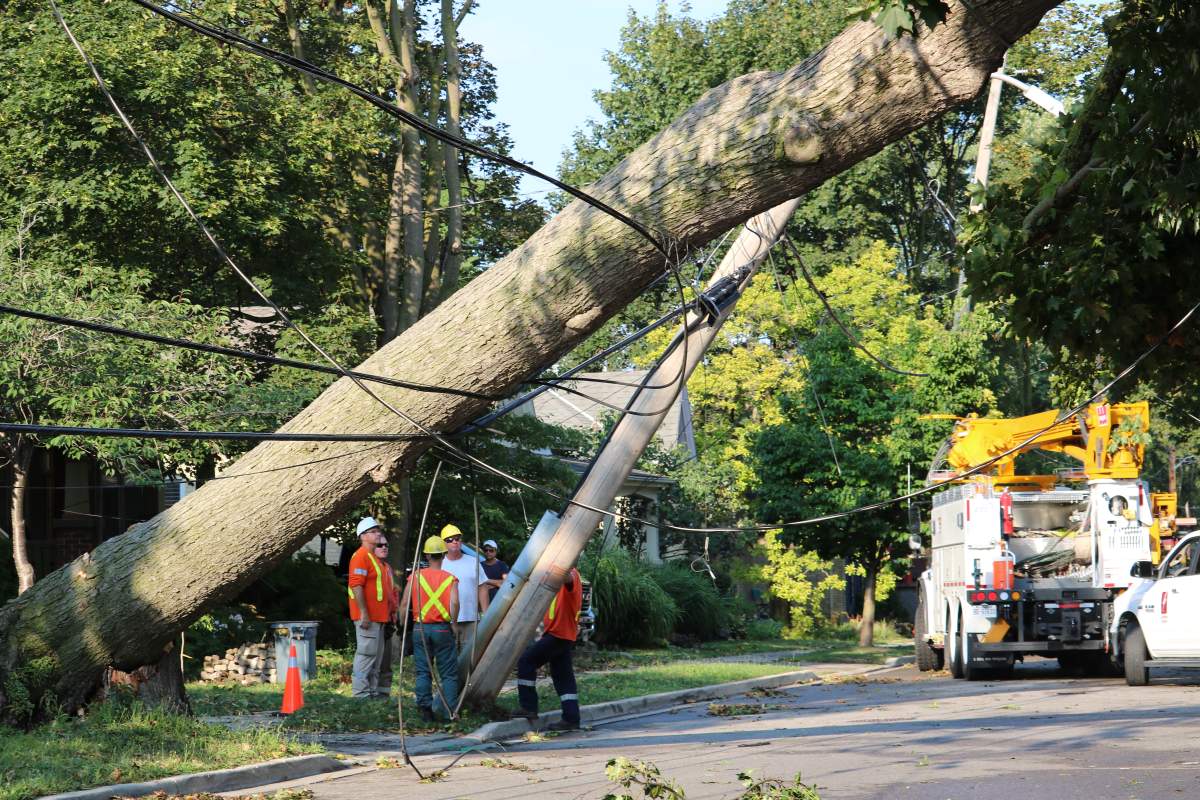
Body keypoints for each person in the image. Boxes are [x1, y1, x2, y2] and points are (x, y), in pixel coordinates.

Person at [512, 565, 583, 731]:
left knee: (526, 662)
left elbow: (566, 577)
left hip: (558, 634)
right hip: (561, 634)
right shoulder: (565, 580)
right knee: (563, 678)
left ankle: (529, 707)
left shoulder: (571, 574)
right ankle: (571, 718)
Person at [408, 534, 459, 720]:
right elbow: (454, 603)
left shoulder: (415, 577)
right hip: (442, 629)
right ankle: (449, 713)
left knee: (423, 671)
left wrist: (401, 625)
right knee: (449, 674)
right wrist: (454, 624)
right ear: (444, 555)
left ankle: (425, 711)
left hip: (420, 628)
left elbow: (405, 603)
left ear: (427, 556)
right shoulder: (450, 579)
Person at [348, 516, 390, 698]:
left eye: (377, 530)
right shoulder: (360, 557)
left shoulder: (372, 558)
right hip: (368, 617)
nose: (377, 533)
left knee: (375, 658)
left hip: (378, 617)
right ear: (363, 536)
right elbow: (356, 585)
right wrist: (364, 613)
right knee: (366, 656)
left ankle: (371, 693)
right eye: (373, 531)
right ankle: (360, 695)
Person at [439, 523, 490, 654]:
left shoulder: (473, 561)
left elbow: (482, 587)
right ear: (443, 543)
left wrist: (486, 614)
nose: (454, 542)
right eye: (450, 540)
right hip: (447, 620)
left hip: (471, 619)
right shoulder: (440, 564)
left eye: (457, 538)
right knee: (449, 658)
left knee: (471, 658)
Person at [375, 538, 399, 698]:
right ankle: (370, 695)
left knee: (386, 661)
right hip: (374, 621)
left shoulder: (387, 568)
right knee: (374, 661)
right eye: (380, 545)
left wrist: (394, 615)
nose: (384, 547)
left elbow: (392, 594)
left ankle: (384, 695)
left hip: (388, 620)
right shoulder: (370, 565)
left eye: (386, 545)